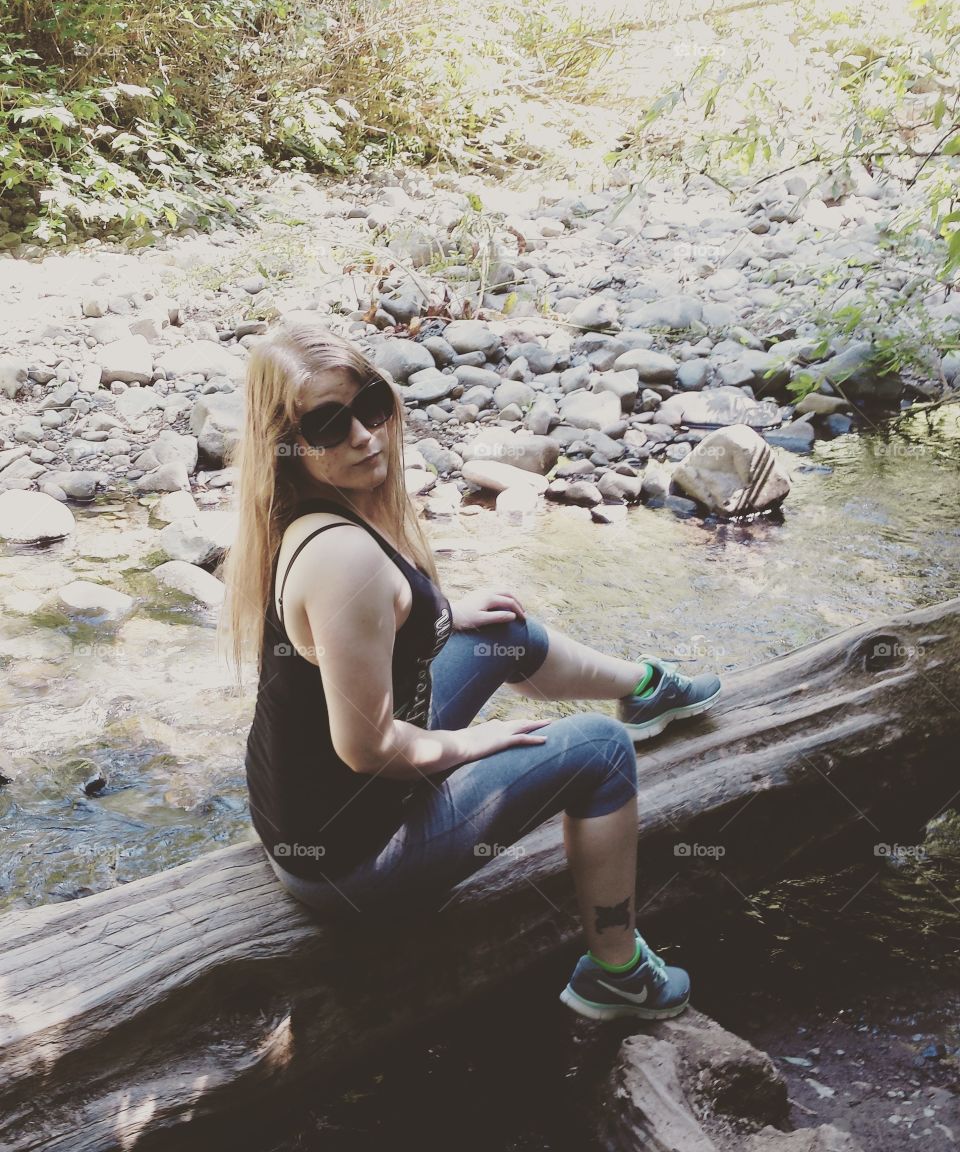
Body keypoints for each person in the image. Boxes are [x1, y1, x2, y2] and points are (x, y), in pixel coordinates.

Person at [218, 317, 722, 1022]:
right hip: (349, 864)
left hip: (315, 815)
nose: (364, 435)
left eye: (370, 407)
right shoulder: (343, 558)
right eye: (329, 425)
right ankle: (617, 974)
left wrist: (446, 615)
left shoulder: (306, 515)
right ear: (289, 444)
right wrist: (470, 746)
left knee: (501, 632)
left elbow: (365, 634)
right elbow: (367, 748)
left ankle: (644, 689)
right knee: (603, 755)